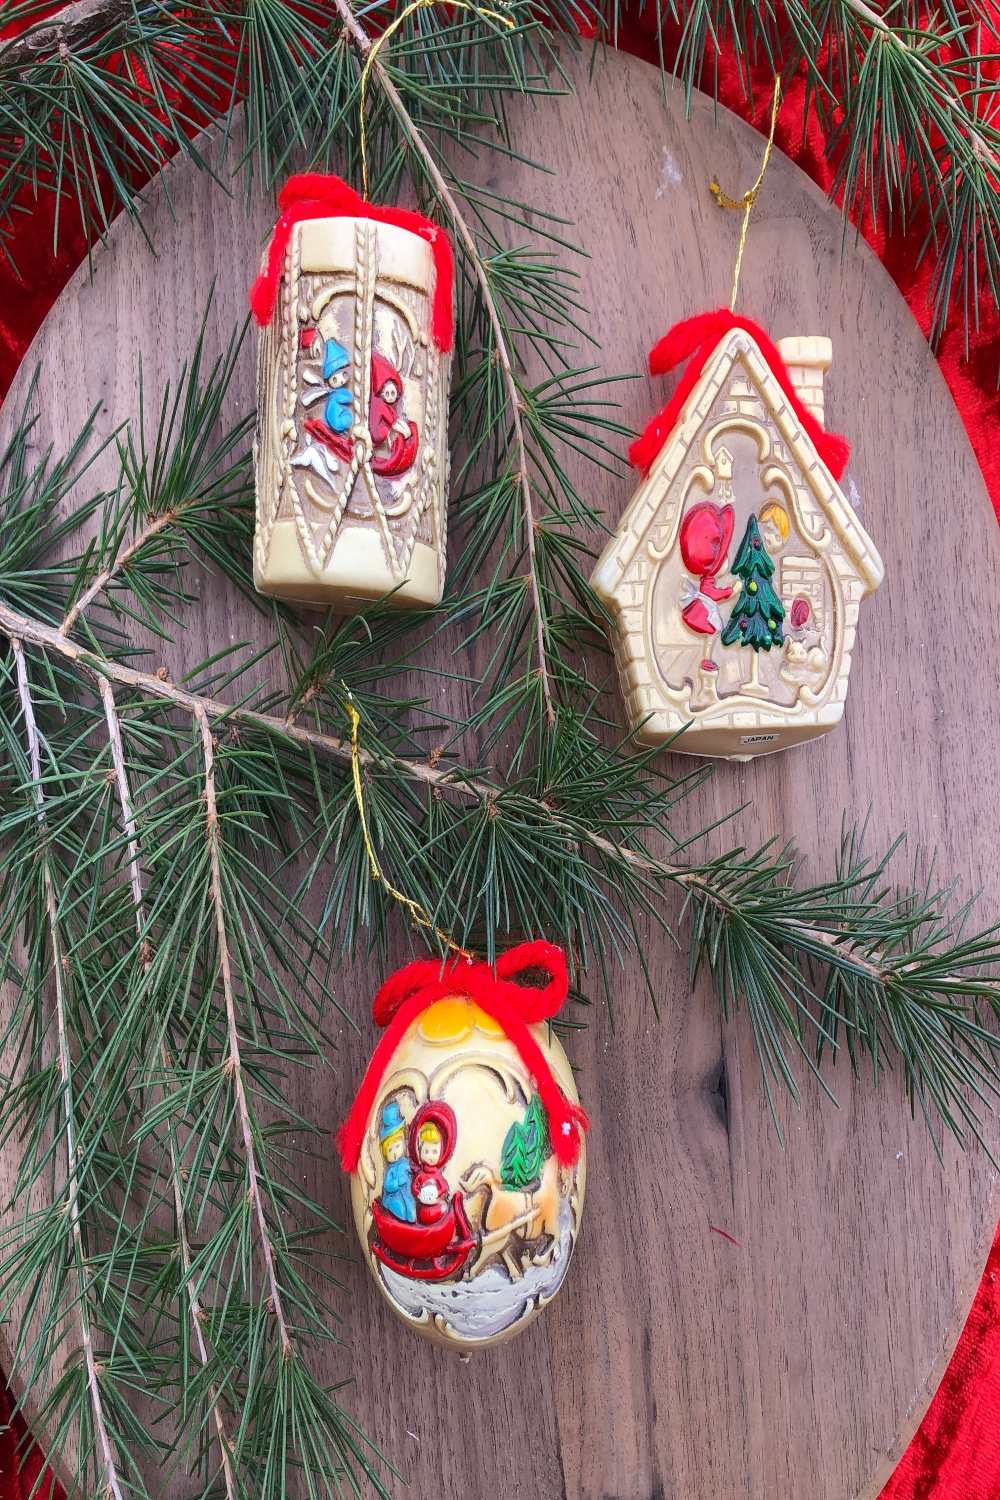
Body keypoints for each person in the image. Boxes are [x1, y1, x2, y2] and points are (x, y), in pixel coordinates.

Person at [379, 1100, 416, 1222]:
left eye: (397, 1146)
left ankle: (410, 1222)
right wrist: (398, 1182)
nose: (394, 1152)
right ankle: (400, 1221)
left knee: (411, 1207)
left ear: (403, 1144)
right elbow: (388, 1186)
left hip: (407, 1194)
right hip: (394, 1197)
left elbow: (413, 1171)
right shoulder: (390, 1170)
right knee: (398, 1206)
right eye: (390, 1149)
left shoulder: (406, 1163)